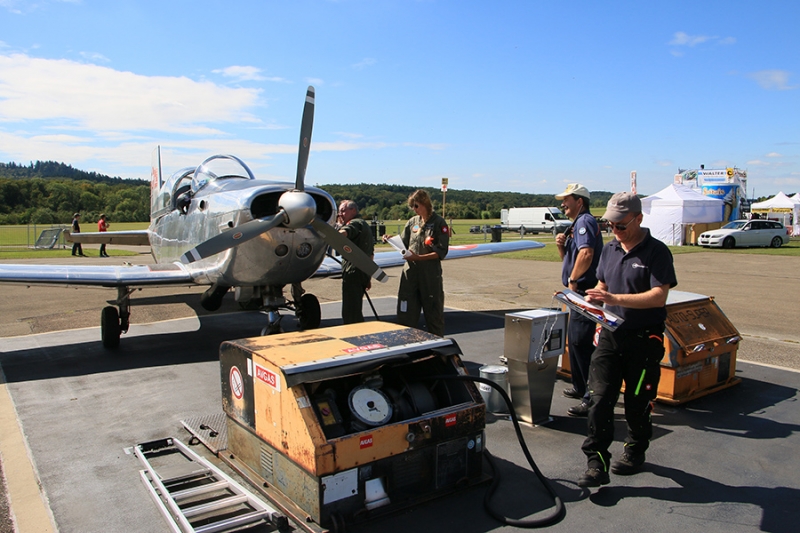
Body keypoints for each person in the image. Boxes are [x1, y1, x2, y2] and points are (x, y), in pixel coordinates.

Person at [577, 192, 677, 488]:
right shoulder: (609, 250)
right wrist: (593, 300)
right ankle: (596, 463)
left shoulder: (656, 252)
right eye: (610, 225)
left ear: (639, 219)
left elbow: (659, 296)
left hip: (644, 339)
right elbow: (602, 284)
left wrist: (613, 298)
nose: (615, 230)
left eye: (620, 225)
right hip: (610, 335)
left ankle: (635, 450)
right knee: (599, 399)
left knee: (637, 402)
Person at [554, 184, 603, 417]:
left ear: (579, 201)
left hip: (583, 291)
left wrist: (573, 280)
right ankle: (580, 386)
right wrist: (562, 250)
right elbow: (575, 257)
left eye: (567, 200)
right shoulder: (577, 224)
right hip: (577, 290)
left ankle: (589, 397)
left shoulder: (584, 222)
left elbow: (586, 254)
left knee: (581, 343)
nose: (563, 204)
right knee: (574, 342)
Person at [384, 189, 449, 336]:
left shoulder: (439, 223)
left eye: (416, 205)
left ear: (424, 203)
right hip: (410, 274)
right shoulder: (412, 222)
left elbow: (441, 252)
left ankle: (437, 350)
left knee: (434, 314)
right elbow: (403, 241)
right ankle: (408, 347)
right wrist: (390, 238)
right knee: (406, 313)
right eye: (412, 206)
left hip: (429, 276)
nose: (414, 209)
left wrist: (419, 258)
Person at [337, 200, 375, 324]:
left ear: (353, 211)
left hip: (353, 273)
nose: (340, 214)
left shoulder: (355, 223)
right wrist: (368, 277)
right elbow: (371, 254)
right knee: (355, 308)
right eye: (339, 211)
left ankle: (354, 336)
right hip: (362, 273)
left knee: (350, 312)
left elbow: (346, 231)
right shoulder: (364, 225)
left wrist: (334, 234)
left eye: (343, 210)